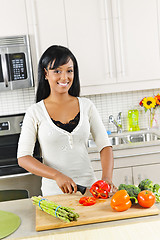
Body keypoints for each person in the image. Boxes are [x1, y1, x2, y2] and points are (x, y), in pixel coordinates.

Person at [17, 45, 117, 196]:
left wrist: (107, 178)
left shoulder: (87, 106)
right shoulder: (35, 112)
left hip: (90, 190)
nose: (64, 77)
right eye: (57, 71)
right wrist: (56, 175)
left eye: (69, 70)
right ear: (46, 73)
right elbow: (23, 158)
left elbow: (105, 146)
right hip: (54, 194)